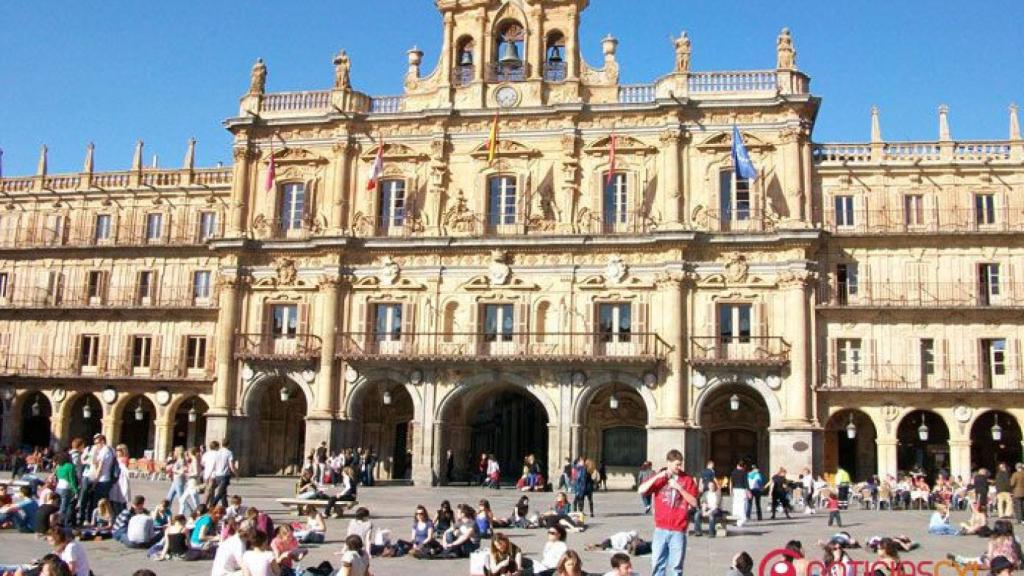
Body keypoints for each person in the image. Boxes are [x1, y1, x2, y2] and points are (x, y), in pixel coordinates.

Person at [638, 449, 699, 576]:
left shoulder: (687, 480)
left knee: (676, 567)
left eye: (680, 464)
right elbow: (641, 490)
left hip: (678, 529)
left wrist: (679, 488)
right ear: (669, 462)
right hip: (660, 528)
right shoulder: (660, 479)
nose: (679, 467)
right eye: (677, 464)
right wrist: (658, 476)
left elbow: (694, 502)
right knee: (657, 563)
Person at [53, 452, 77, 529]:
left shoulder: (59, 466)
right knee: (64, 508)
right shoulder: (70, 466)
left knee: (58, 506)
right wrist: (75, 490)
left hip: (58, 487)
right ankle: (60, 523)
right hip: (66, 488)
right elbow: (72, 479)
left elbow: (56, 476)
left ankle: (55, 521)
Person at [729, 462, 748, 528]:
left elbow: (731, 482)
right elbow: (746, 483)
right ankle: (741, 520)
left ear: (737, 465)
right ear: (743, 466)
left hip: (735, 490)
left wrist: (730, 490)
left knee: (735, 505)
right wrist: (748, 491)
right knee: (742, 505)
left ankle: (735, 520)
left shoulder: (733, 472)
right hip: (742, 490)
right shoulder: (744, 472)